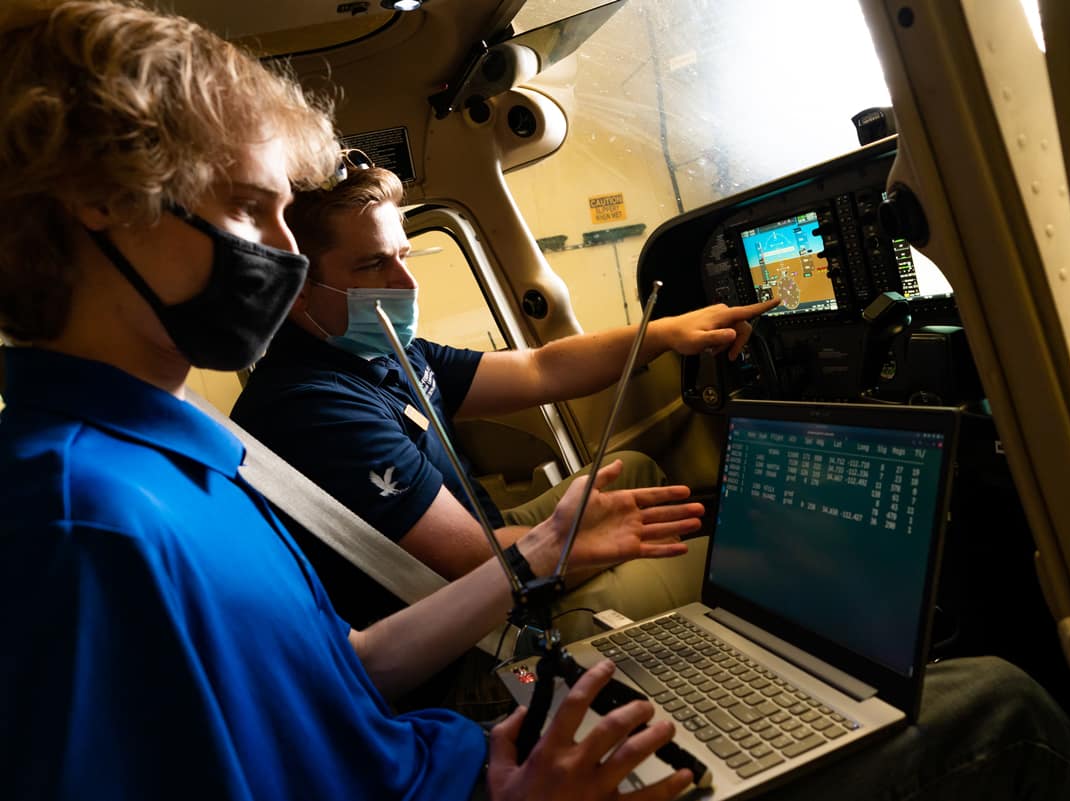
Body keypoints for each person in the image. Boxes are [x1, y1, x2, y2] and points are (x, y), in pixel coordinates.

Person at [0, 3, 1070, 801]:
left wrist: (533, 568)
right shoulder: (83, 520)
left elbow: (334, 680)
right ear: (105, 203)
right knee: (1000, 703)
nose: (286, 258)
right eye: (253, 213)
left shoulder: (166, 455)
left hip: (463, 756)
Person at [231, 162, 777, 639]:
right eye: (373, 265)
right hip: (476, 631)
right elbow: (478, 564)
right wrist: (599, 541)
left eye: (404, 254)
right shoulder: (312, 408)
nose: (406, 282)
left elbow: (540, 369)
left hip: (484, 548)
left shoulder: (379, 353)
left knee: (632, 470)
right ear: (296, 285)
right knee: (736, 568)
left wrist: (664, 333)